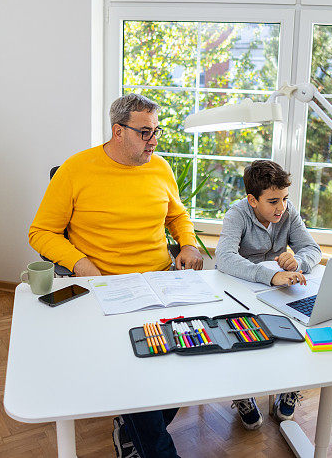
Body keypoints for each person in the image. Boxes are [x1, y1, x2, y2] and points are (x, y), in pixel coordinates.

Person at [29, 93, 204, 458]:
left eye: (156, 132)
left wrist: (187, 243)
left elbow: (177, 216)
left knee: (178, 369)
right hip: (105, 288)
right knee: (138, 373)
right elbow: (41, 233)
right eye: (144, 133)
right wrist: (81, 265)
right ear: (117, 131)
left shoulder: (160, 168)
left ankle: (131, 427)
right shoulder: (75, 170)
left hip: (160, 282)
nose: (153, 141)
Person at [215, 160, 322, 430]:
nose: (281, 207)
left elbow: (313, 249)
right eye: (273, 201)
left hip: (277, 286)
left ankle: (290, 386)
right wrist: (271, 275)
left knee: (300, 326)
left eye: (285, 199)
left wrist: (297, 262)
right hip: (240, 287)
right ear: (252, 199)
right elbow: (225, 258)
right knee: (242, 337)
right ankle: (243, 393)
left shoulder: (288, 212)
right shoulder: (236, 214)